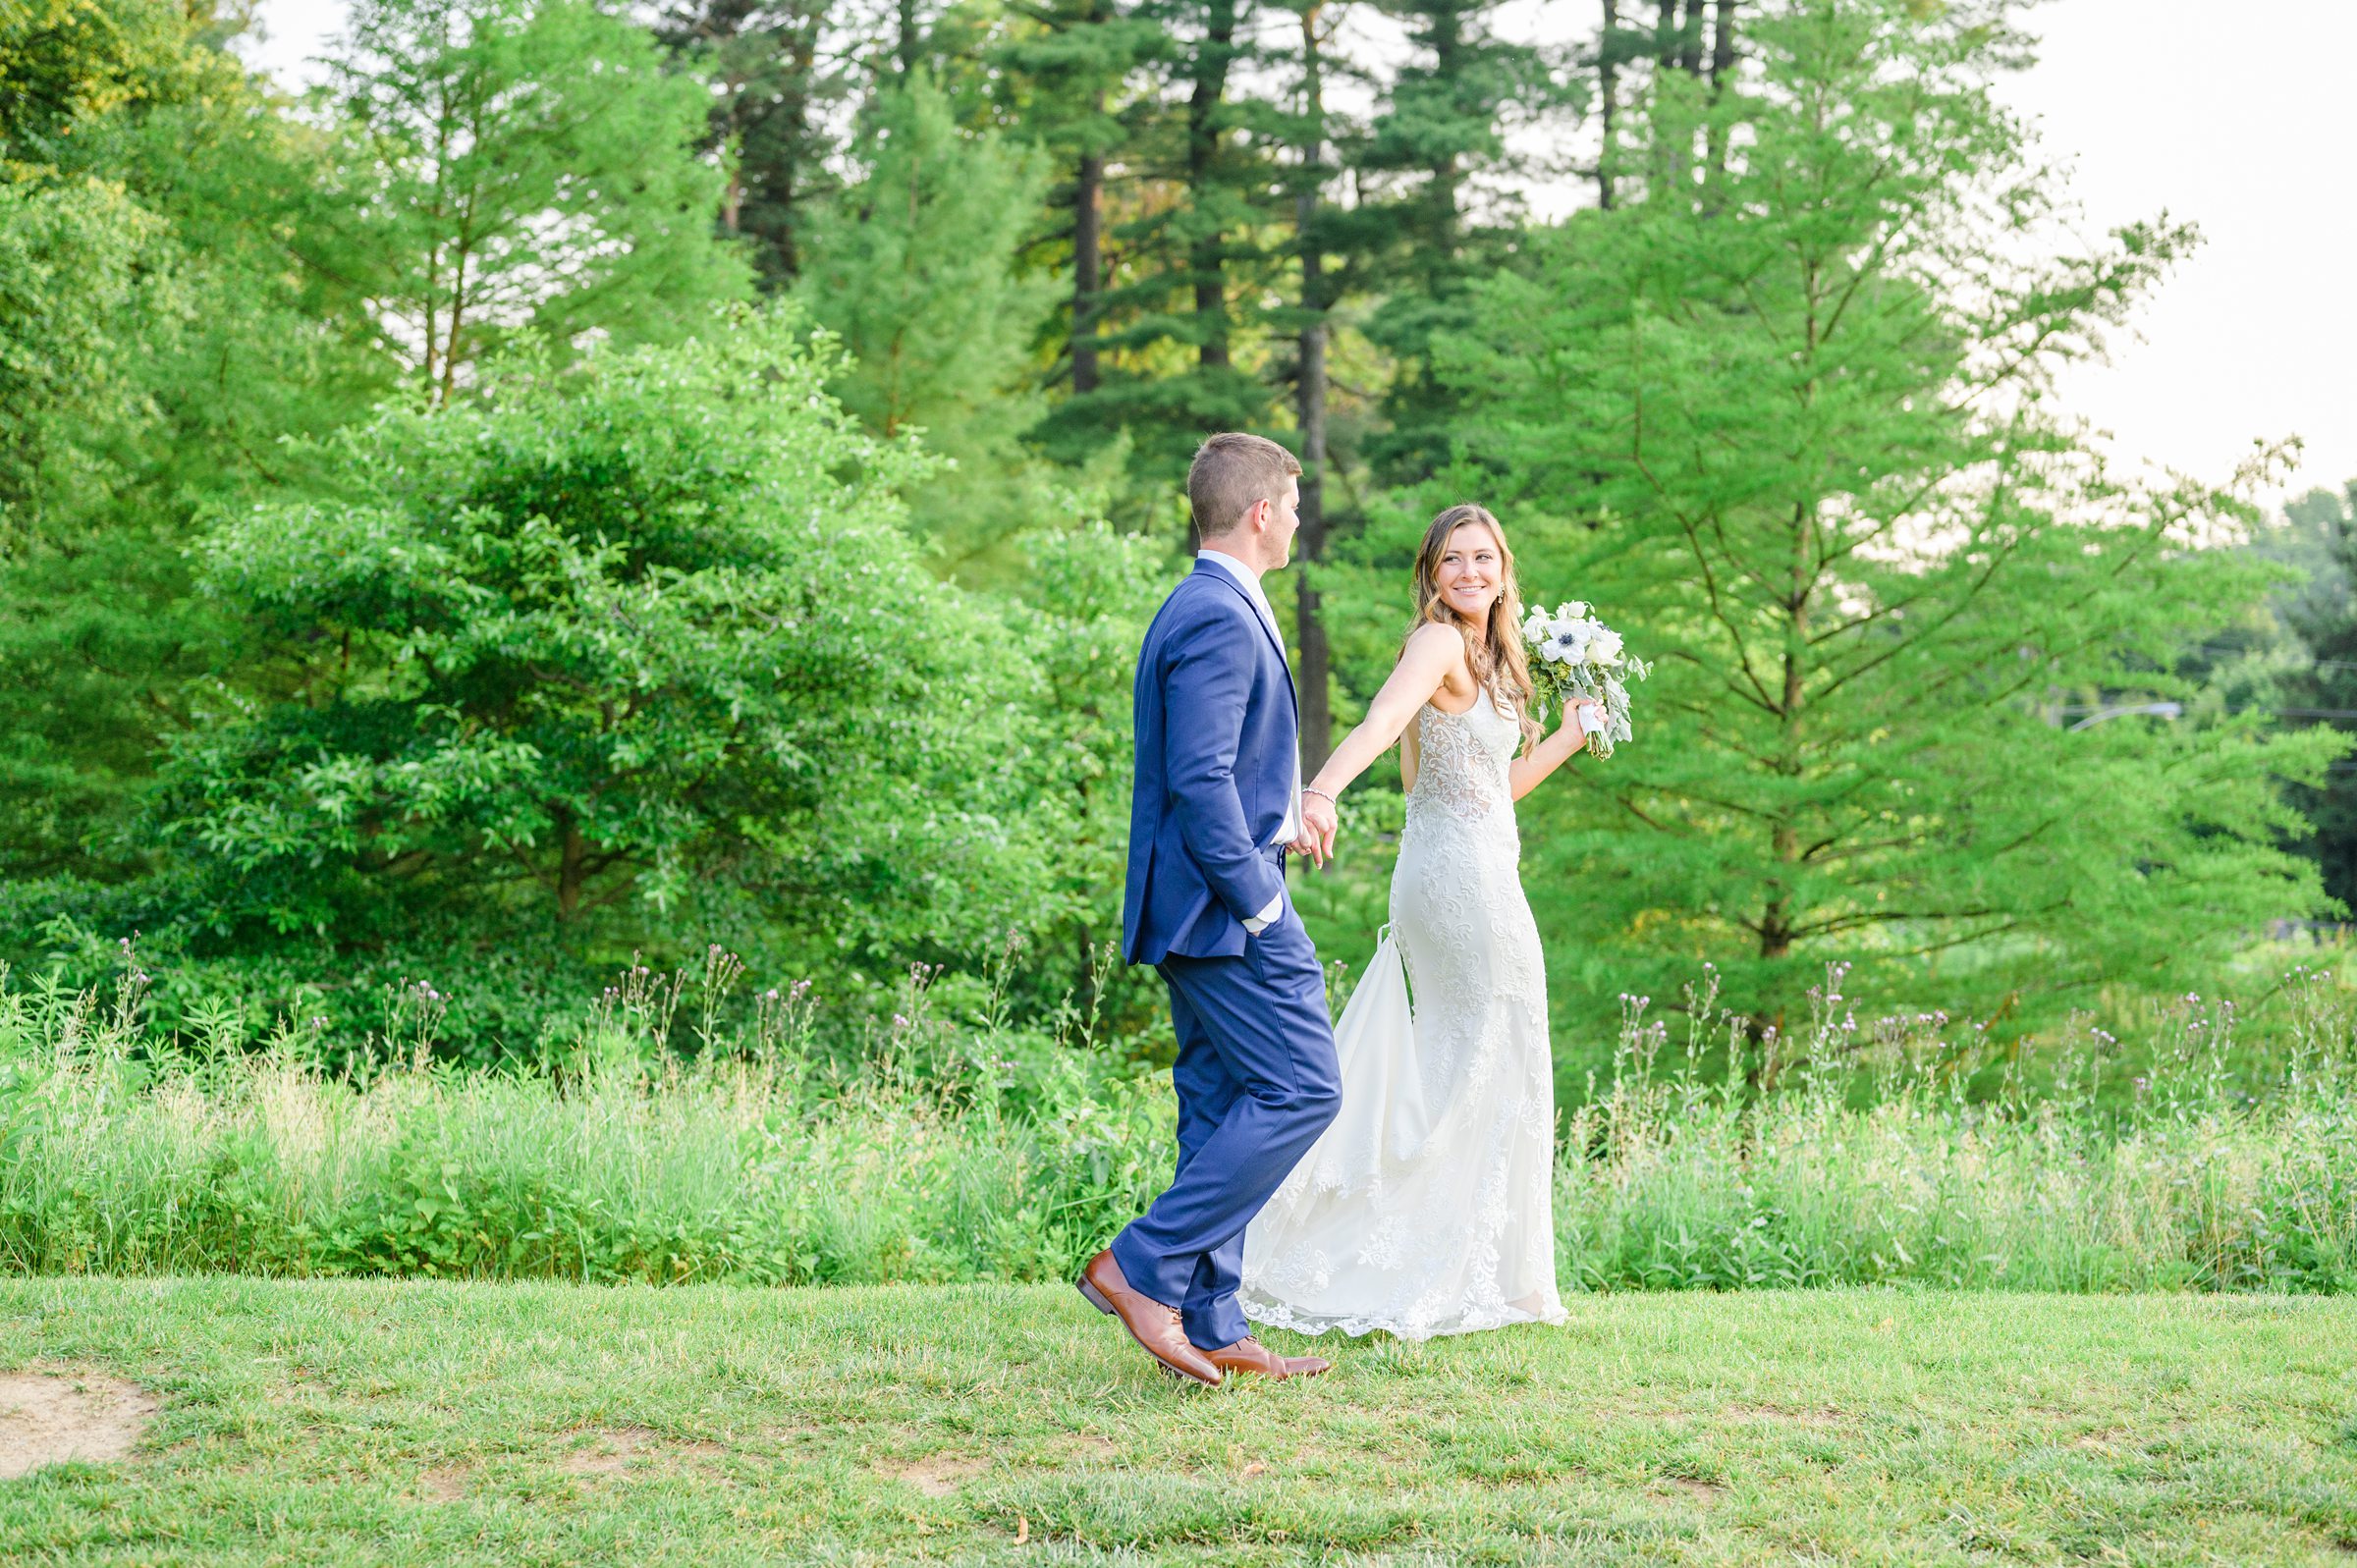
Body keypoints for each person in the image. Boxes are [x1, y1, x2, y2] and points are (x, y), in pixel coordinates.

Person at [1238, 503, 1603, 1340]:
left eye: (1482, 558)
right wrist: (1319, 791)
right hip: (1455, 877)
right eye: (1452, 561)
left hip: (1474, 862)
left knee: (1484, 1050)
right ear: (1432, 576)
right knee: (1482, 1047)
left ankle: (1483, 1265)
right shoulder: (1437, 643)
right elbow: (1381, 722)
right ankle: (1427, 1259)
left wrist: (1571, 737)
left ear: (1505, 569)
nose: (1469, 573)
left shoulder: (1497, 660)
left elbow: (1491, 788)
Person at [1077, 432, 1343, 1385]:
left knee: (1222, 1101)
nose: (1300, 520)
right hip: (1222, 910)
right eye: (1294, 504)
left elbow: (1228, 766)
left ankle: (1214, 1313)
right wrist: (1261, 901)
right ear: (1263, 512)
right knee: (1306, 1087)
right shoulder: (1215, 615)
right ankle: (1139, 1266)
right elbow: (1196, 781)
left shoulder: (1213, 604)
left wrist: (1284, 815)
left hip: (1211, 896)